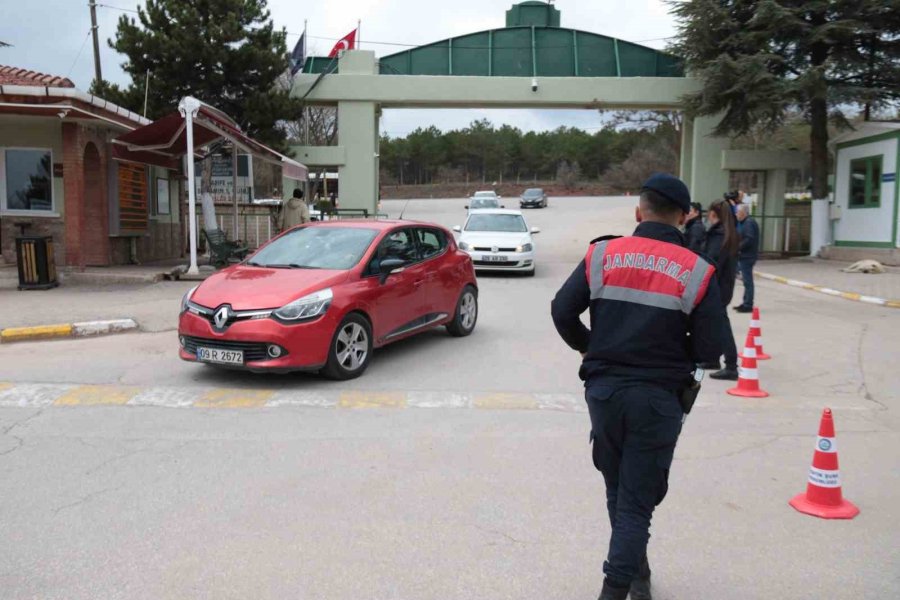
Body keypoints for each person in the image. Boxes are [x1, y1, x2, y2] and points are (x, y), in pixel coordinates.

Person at [551, 173, 726, 600]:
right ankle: (616, 589)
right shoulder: (698, 271)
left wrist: (596, 348)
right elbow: (710, 351)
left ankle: (638, 574)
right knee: (636, 502)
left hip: (605, 394)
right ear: (684, 217)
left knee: (620, 490)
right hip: (659, 400)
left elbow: (561, 310)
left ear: (638, 211)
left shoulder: (601, 254)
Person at [703, 200, 741, 381]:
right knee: (716, 324)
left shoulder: (718, 236)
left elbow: (710, 262)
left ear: (713, 215)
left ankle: (731, 365)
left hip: (718, 287)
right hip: (723, 286)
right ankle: (713, 359)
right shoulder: (726, 233)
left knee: (722, 326)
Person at [734, 204, 760, 313]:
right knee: (746, 280)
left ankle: (748, 304)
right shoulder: (744, 223)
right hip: (744, 255)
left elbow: (749, 239)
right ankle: (745, 302)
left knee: (748, 280)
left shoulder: (749, 223)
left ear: (743, 213)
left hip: (747, 256)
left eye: (737, 212)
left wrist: (738, 247)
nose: (736, 214)